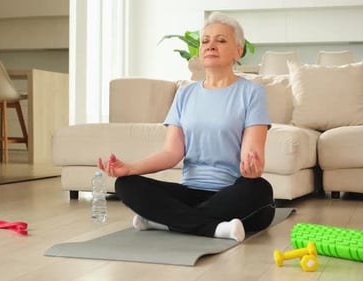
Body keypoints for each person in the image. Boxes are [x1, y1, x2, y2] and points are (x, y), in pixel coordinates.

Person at [98, 12, 275, 242]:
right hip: (190, 192)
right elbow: (171, 153)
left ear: (237, 51)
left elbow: (252, 154)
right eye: (205, 41)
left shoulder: (252, 92)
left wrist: (251, 168)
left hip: (231, 193)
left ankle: (164, 222)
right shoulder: (185, 93)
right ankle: (214, 228)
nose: (211, 45)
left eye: (221, 40)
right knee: (126, 185)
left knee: (259, 190)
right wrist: (130, 168)